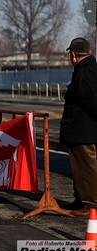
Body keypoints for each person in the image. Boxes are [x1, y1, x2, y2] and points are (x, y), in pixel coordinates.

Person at [59, 37, 97, 216]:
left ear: (73, 55)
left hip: (84, 130)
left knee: (86, 166)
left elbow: (91, 101)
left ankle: (90, 204)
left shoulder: (84, 72)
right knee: (79, 166)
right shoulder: (88, 69)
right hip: (82, 129)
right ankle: (81, 199)